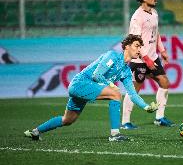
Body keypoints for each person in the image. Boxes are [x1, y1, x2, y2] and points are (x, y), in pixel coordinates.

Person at [24, 34, 159, 142]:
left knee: (68, 120)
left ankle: (35, 132)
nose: (139, 49)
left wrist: (146, 107)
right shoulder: (112, 55)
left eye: (141, 47)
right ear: (127, 47)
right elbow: (97, 75)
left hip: (86, 88)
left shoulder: (126, 71)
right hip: (80, 84)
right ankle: (115, 134)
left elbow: (133, 94)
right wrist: (111, 85)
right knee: (116, 93)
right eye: (137, 46)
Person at [121, 0, 175, 130]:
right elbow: (135, 41)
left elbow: (156, 33)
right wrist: (146, 58)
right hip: (139, 59)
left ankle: (159, 118)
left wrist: (162, 50)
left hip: (153, 56)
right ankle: (125, 122)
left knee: (164, 82)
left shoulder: (154, 13)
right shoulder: (137, 17)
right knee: (134, 90)